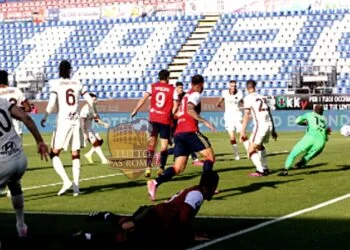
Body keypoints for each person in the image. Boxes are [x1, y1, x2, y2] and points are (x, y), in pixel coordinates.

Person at [73, 171, 219, 249]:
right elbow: (184, 217)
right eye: (215, 188)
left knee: (129, 238)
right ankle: (104, 216)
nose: (215, 191)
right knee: (127, 228)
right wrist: (191, 235)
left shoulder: (196, 192)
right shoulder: (197, 195)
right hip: (155, 216)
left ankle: (87, 236)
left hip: (160, 220)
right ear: (211, 187)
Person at [147, 75, 216, 201]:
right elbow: (189, 109)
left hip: (179, 134)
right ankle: (204, 188)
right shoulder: (195, 94)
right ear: (201, 84)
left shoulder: (185, 96)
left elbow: (177, 113)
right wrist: (205, 121)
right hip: (190, 132)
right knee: (210, 158)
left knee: (178, 168)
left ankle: (155, 182)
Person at [41, 60, 96, 196]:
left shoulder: (56, 83)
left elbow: (52, 103)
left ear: (59, 70)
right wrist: (94, 113)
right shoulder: (77, 83)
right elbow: (89, 100)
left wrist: (45, 117)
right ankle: (76, 188)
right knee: (75, 153)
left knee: (54, 153)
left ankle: (66, 181)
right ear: (70, 70)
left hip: (63, 122)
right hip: (75, 121)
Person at [0, 97, 49, 238]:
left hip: (2, 163)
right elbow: (26, 118)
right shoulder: (2, 101)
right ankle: (21, 226)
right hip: (20, 159)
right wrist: (39, 141)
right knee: (14, 184)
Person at [131, 70, 178, 178]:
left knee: (151, 144)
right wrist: (171, 114)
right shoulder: (172, 89)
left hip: (153, 119)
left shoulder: (152, 86)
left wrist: (135, 110)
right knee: (164, 147)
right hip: (164, 120)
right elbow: (175, 105)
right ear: (167, 78)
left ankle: (148, 168)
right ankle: (161, 168)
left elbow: (143, 99)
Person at [240, 80, 278, 177]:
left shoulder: (247, 98)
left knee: (251, 149)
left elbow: (247, 115)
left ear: (247, 88)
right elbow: (269, 112)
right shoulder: (262, 97)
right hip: (268, 124)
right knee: (260, 146)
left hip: (260, 125)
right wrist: (273, 129)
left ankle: (260, 170)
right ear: (255, 87)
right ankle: (265, 167)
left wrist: (242, 131)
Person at [279, 105, 331, 176]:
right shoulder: (324, 119)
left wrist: (304, 123)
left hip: (309, 138)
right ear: (323, 111)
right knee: (309, 156)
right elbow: (325, 133)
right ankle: (301, 163)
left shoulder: (309, 114)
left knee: (294, 153)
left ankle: (285, 170)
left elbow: (297, 121)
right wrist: (326, 133)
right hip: (321, 142)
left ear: (314, 110)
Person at [168, 81, 202, 167]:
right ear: (176, 88)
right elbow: (172, 111)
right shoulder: (174, 98)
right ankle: (163, 154)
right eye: (179, 88)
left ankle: (194, 159)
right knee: (179, 144)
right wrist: (176, 115)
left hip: (182, 123)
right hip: (174, 124)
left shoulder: (185, 96)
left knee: (185, 143)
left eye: (182, 88)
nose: (181, 89)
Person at [216, 80, 244, 160]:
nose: (233, 87)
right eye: (232, 86)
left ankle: (249, 151)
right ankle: (236, 154)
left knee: (243, 134)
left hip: (238, 116)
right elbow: (220, 101)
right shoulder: (225, 93)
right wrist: (219, 104)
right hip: (228, 117)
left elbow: (243, 102)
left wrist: (244, 107)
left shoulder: (240, 93)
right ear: (229, 86)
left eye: (234, 86)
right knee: (232, 137)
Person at [81, 93, 110, 164]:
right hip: (84, 129)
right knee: (96, 143)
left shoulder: (93, 108)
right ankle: (104, 159)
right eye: (94, 100)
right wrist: (84, 134)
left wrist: (104, 124)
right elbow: (82, 122)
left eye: (96, 99)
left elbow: (97, 119)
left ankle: (89, 154)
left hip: (89, 128)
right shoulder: (85, 109)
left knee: (100, 141)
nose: (96, 101)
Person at [0, 70, 31, 137]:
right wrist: (16, 110)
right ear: (6, 79)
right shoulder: (16, 90)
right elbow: (28, 108)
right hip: (16, 130)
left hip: (2, 131)